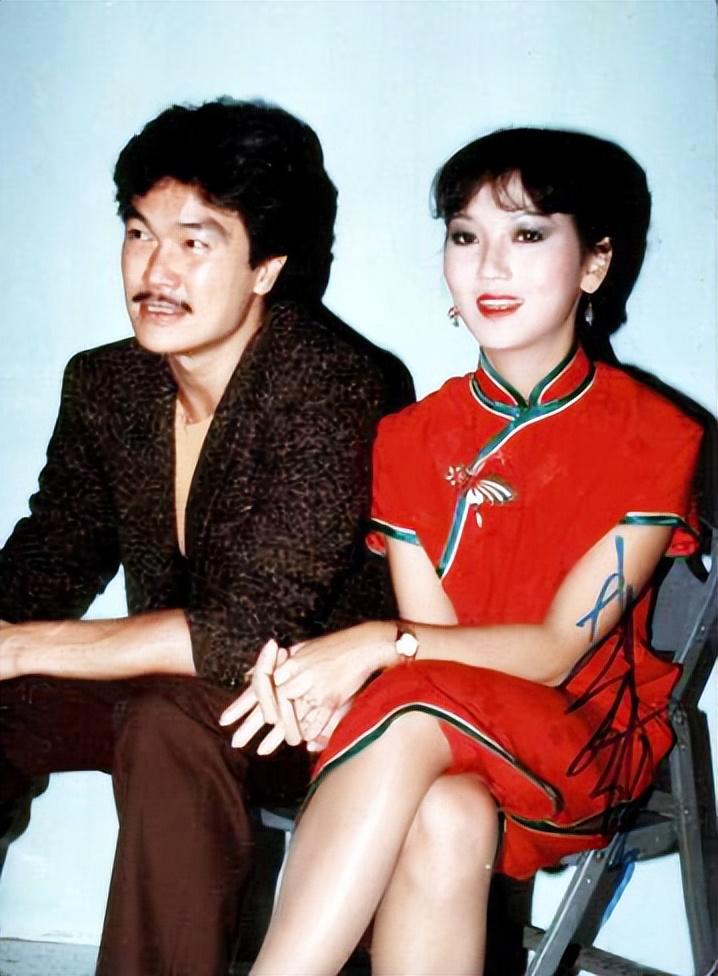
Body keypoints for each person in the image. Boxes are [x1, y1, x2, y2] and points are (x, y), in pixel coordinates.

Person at [221, 127, 704, 976]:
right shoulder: (410, 438)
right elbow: (433, 645)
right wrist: (361, 673)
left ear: (594, 264)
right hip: (446, 726)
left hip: (583, 736)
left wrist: (373, 651)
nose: (490, 267)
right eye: (465, 236)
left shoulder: (655, 436)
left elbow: (554, 653)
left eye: (528, 234)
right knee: (450, 812)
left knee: (407, 702)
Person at [0, 97, 412, 975]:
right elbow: (48, 559)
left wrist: (20, 645)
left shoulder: (336, 383)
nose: (156, 270)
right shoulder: (106, 384)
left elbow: (244, 634)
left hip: (309, 715)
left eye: (196, 242)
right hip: (173, 694)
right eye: (139, 233)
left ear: (266, 267)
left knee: (166, 721)